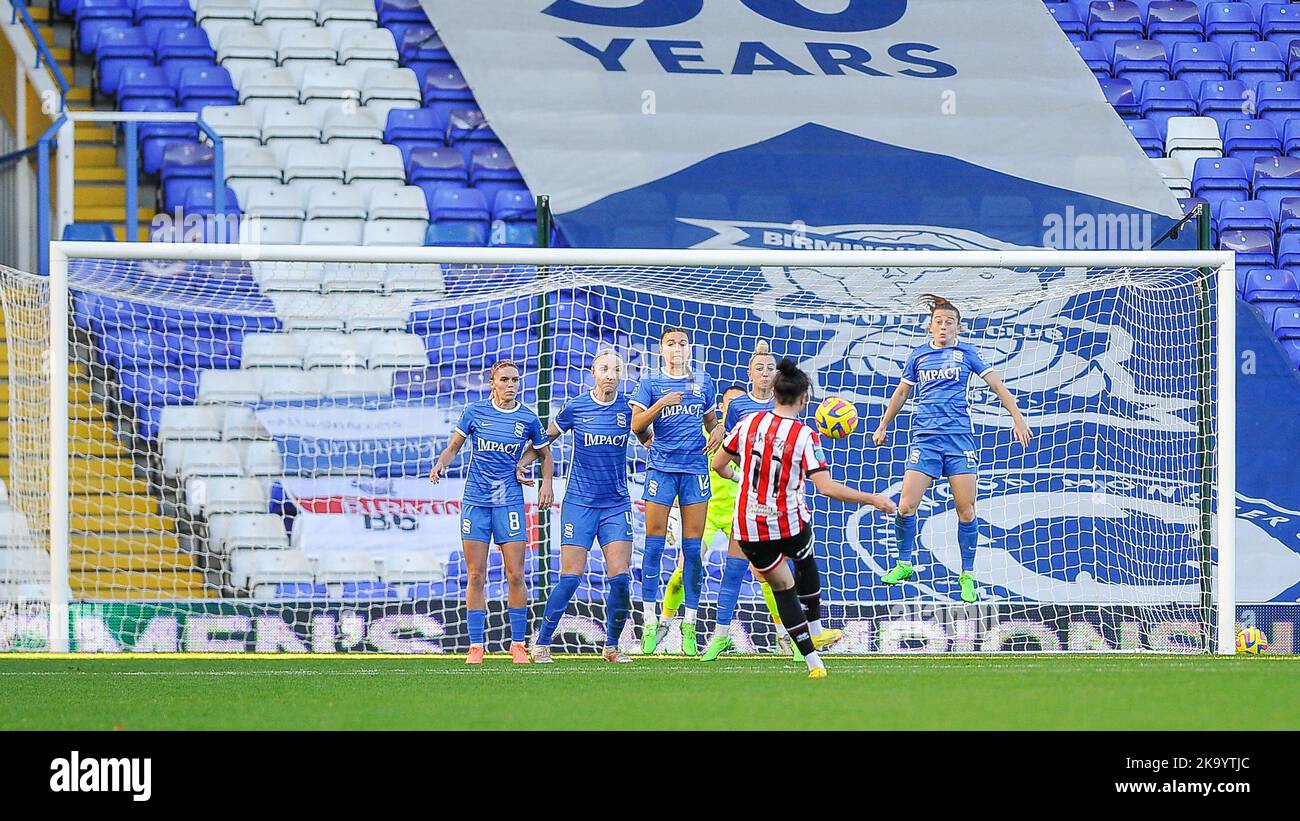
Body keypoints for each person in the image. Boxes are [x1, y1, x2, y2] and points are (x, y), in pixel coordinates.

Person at [711, 358, 896, 677]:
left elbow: (718, 463)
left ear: (776, 392)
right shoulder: (804, 435)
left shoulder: (747, 425)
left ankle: (814, 663)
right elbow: (825, 488)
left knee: (782, 587)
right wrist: (873, 499)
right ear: (804, 399)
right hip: (787, 523)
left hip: (749, 527)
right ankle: (816, 627)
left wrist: (741, 477)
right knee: (805, 561)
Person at [872, 294, 1032, 603]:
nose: (943, 327)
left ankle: (967, 575)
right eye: (938, 322)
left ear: (958, 328)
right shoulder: (918, 357)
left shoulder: (966, 353)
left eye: (949, 323)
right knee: (905, 506)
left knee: (965, 510)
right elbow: (902, 393)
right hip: (925, 440)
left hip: (959, 440)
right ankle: (904, 564)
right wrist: (883, 425)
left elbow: (997, 385)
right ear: (929, 327)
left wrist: (1017, 418)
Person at [429, 360, 552, 665]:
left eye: (516, 380)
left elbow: (543, 452)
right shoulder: (475, 412)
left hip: (509, 502)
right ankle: (475, 646)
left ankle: (518, 645)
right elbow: (454, 447)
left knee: (515, 574)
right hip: (476, 502)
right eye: (505, 380)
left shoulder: (527, 418)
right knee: (475, 574)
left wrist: (543, 481)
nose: (511, 385)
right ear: (492, 383)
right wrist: (442, 462)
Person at [519, 350, 636, 664]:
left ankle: (612, 646)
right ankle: (542, 643)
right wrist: (523, 463)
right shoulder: (577, 407)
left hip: (616, 504)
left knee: (621, 578)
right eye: (604, 369)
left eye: (616, 369)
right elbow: (546, 439)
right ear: (593, 373)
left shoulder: (629, 408)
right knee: (571, 577)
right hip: (579, 504)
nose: (610, 374)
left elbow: (651, 439)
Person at [631, 327, 725, 656]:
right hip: (661, 470)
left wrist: (720, 430)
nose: (677, 349)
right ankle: (650, 621)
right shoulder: (650, 383)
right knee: (654, 544)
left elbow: (712, 423)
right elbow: (637, 425)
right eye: (670, 344)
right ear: (661, 350)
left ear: (689, 348)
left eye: (682, 344)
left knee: (693, 551)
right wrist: (661, 404)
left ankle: (690, 623)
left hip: (695, 470)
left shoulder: (703, 381)